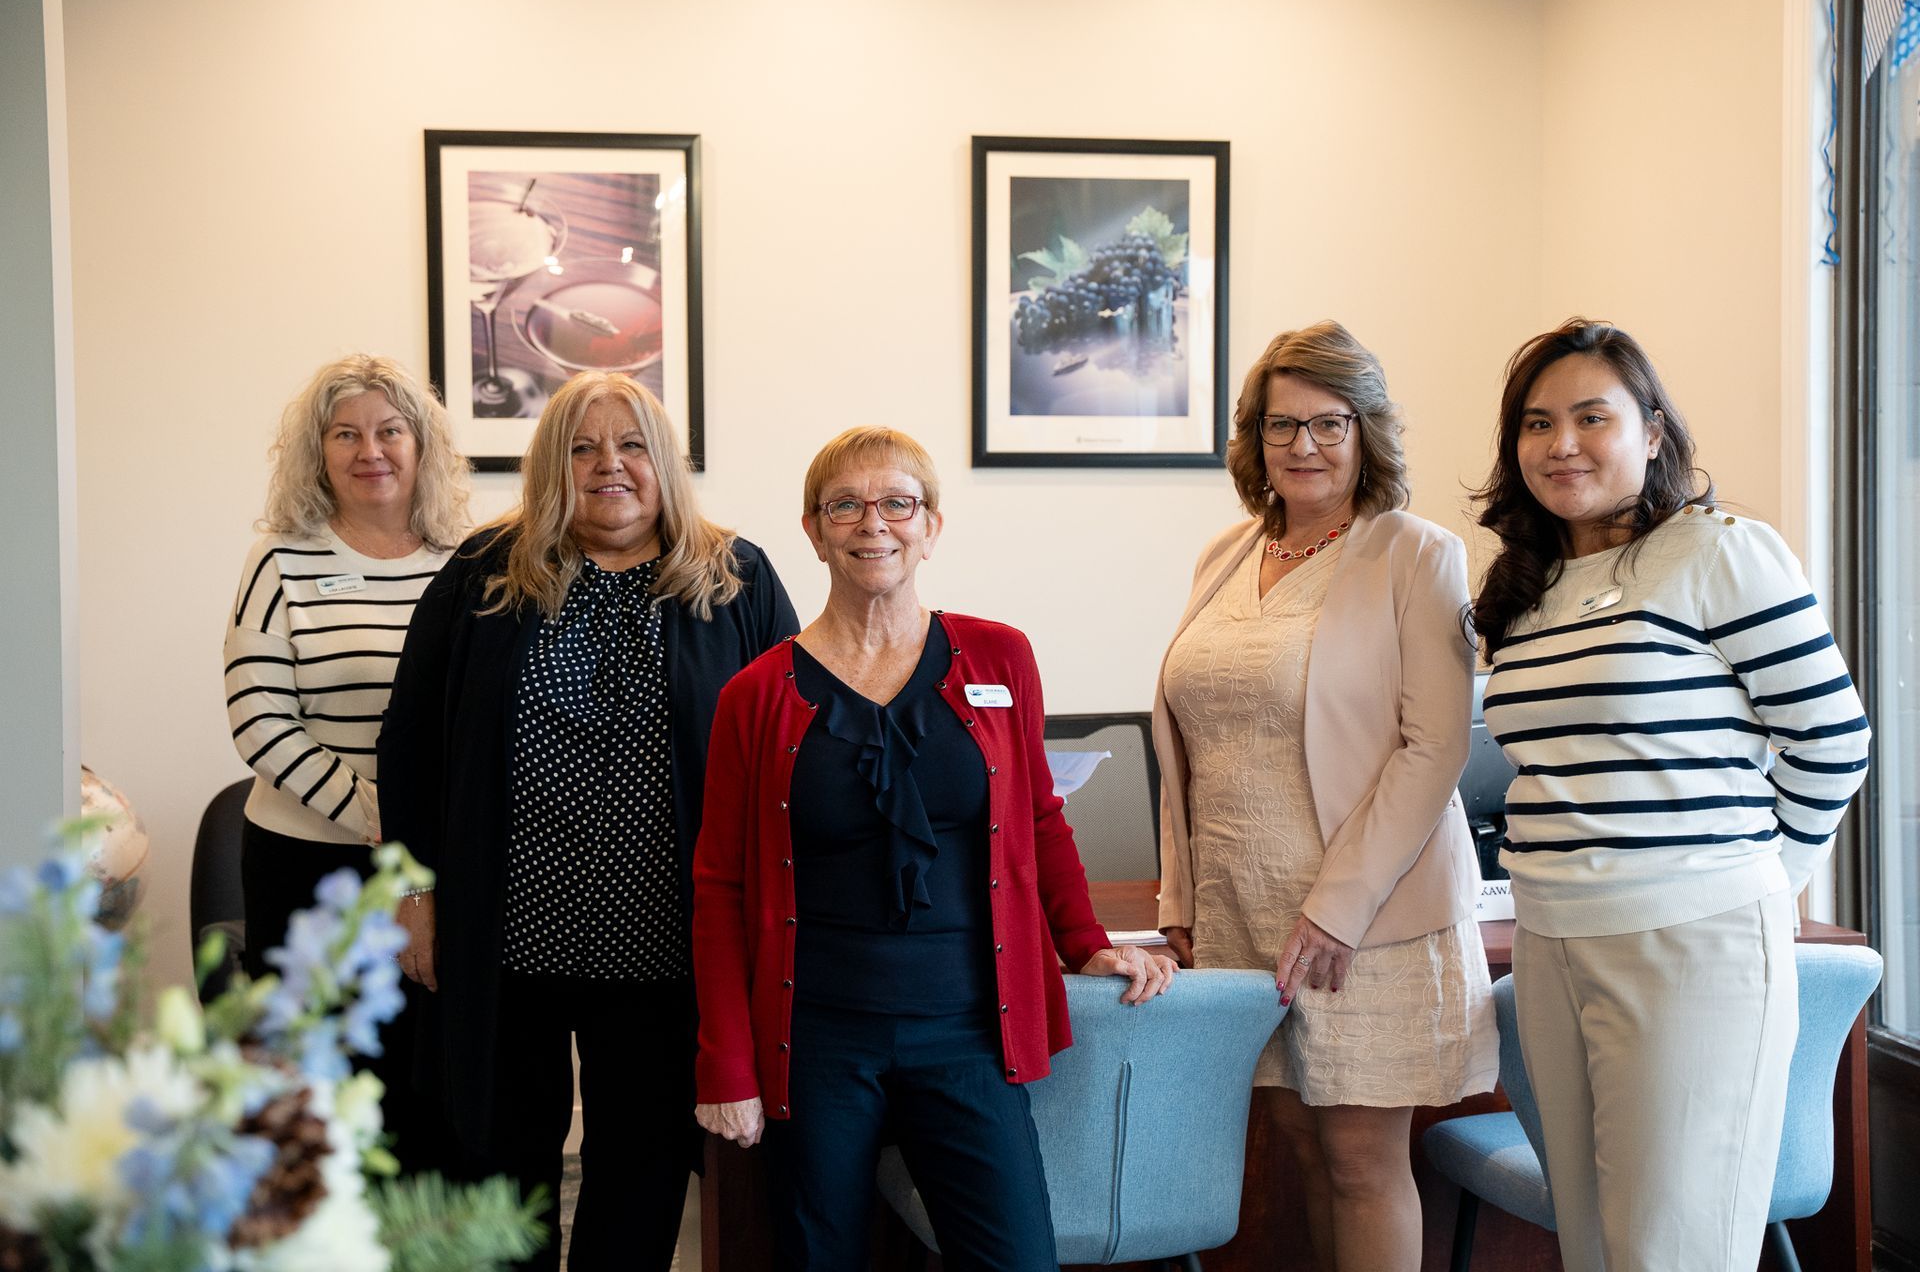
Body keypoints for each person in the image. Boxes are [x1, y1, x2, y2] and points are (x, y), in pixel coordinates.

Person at [691, 426, 1175, 1269]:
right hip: (817, 1038)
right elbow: (720, 888)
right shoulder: (755, 695)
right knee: (818, 1255)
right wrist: (727, 1063)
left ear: (932, 525)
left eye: (896, 503)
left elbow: (1038, 819)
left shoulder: (1000, 656)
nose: (872, 523)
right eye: (845, 505)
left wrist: (1088, 945)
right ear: (813, 529)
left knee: (1017, 1256)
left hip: (969, 1029)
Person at [1471, 318, 1870, 1272]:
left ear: (1652, 432)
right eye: (1536, 423)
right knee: (1598, 1245)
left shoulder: (1720, 552)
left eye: (1591, 417)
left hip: (1695, 944)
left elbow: (1832, 739)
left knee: (1675, 1250)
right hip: (1551, 941)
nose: (1561, 444)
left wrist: (1758, 881)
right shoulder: (1529, 588)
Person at [376, 371, 797, 1271]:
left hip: (664, 944)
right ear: (551, 465)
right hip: (507, 938)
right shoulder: (482, 575)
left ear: (666, 463)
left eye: (633, 445)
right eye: (583, 447)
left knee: (640, 1174)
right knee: (500, 1166)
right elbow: (410, 743)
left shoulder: (736, 578)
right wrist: (411, 891)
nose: (610, 466)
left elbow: (792, 746)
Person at [1153, 321, 1496, 1272]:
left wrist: (1336, 912)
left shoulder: (1415, 554)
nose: (1302, 446)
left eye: (1327, 423)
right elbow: (1190, 747)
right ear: (1252, 440)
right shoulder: (1226, 552)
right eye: (1280, 426)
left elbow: (1432, 750)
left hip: (1361, 919)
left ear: (1366, 431)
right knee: (1298, 1147)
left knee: (1357, 1158)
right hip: (1236, 916)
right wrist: (1179, 902)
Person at [224, 353, 470, 973]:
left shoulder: (467, 562)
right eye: (346, 434)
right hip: (306, 861)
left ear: (422, 446)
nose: (371, 451)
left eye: (390, 430)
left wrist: (424, 833)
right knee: (318, 1060)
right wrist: (382, 816)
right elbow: (260, 721)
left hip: (435, 862)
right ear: (318, 452)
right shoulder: (279, 559)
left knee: (424, 1064)